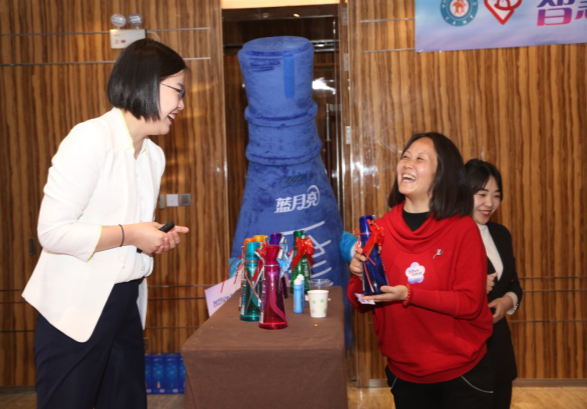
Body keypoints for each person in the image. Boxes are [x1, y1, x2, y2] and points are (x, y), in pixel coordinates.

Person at [22, 38, 190, 409]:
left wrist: (152, 238)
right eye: (177, 91)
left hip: (125, 304)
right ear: (147, 83)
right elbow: (53, 232)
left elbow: (123, 232)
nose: (181, 104)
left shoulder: (153, 156)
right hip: (75, 310)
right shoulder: (90, 139)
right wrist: (132, 234)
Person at [348, 132, 493, 409]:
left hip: (462, 374)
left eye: (420, 159)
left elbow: (470, 303)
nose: (407, 163)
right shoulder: (379, 230)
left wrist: (409, 294)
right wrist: (358, 277)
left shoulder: (462, 229)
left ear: (442, 174)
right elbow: (362, 303)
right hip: (404, 373)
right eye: (405, 156)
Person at [465, 159, 523, 409]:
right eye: (481, 194)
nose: (489, 203)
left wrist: (508, 300)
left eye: (496, 195)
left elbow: (514, 283)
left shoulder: (501, 234)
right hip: (464, 354)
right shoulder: (449, 236)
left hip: (499, 350)